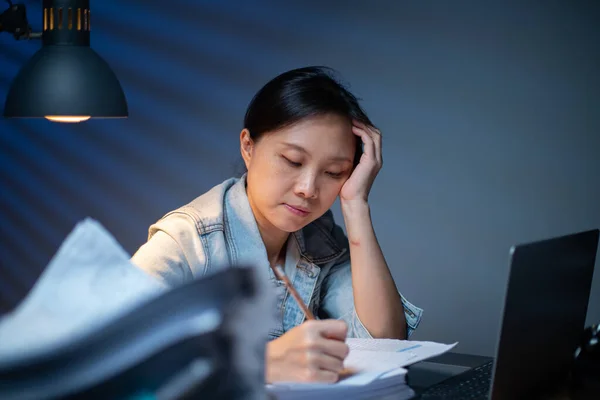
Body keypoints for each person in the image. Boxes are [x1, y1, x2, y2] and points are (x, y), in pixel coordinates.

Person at [131, 66, 423, 384]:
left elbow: (382, 341)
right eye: (293, 161)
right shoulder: (185, 242)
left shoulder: (318, 239)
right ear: (248, 146)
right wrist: (262, 364)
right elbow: (112, 363)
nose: (308, 188)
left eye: (335, 172)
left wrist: (356, 206)